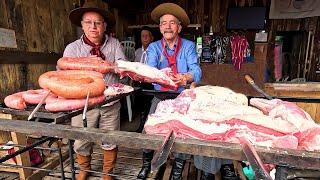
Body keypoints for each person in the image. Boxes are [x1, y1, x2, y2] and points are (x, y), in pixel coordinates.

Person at [137, 3, 202, 180]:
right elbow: (150, 70)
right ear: (159, 28)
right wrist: (158, 75)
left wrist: (186, 77)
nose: (167, 26)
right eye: (164, 23)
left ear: (179, 28)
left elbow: (197, 71)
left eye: (172, 23)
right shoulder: (154, 47)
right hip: (160, 96)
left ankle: (177, 170)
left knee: (181, 133)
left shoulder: (188, 46)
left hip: (181, 96)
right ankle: (146, 165)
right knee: (149, 130)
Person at [64, 2, 126, 180]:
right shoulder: (73, 48)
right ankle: (84, 169)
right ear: (81, 25)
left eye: (98, 23)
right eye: (88, 22)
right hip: (83, 103)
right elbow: (64, 76)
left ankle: (108, 173)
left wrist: (112, 67)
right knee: (81, 138)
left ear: (104, 26)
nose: (93, 26)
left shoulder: (114, 44)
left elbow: (123, 68)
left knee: (111, 138)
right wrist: (86, 65)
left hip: (110, 101)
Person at [133, 26, 154, 132]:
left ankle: (145, 127)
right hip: (138, 82)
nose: (145, 38)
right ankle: (141, 123)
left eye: (147, 36)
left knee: (149, 105)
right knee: (139, 104)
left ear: (152, 38)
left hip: (150, 82)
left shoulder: (155, 51)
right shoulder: (137, 52)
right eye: (143, 36)